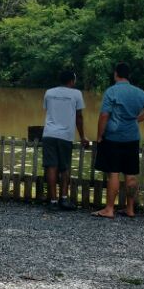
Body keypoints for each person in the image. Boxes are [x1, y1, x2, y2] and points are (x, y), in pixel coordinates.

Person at [91, 62, 144, 218]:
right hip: (132, 138)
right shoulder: (138, 92)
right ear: (129, 76)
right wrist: (138, 119)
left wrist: (100, 135)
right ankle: (130, 209)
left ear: (116, 74)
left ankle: (109, 209)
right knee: (131, 174)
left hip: (113, 137)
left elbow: (104, 115)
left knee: (113, 173)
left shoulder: (111, 91)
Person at [41, 69, 89, 210]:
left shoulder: (49, 92)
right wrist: (82, 136)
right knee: (64, 167)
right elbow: (79, 117)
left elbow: (48, 110)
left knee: (51, 167)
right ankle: (64, 199)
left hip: (49, 134)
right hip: (65, 136)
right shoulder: (76, 94)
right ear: (72, 81)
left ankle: (53, 201)